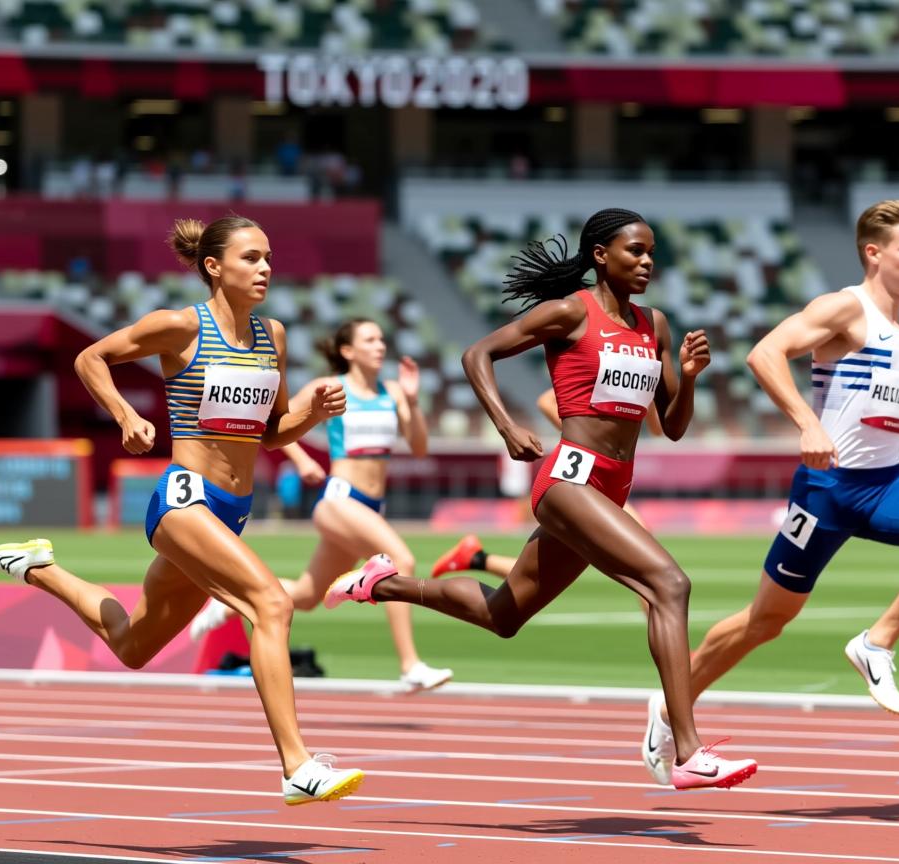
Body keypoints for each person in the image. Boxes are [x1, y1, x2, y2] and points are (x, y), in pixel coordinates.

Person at [324, 208, 757, 791]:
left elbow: (673, 428)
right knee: (669, 584)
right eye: (635, 251)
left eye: (653, 251)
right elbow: (476, 354)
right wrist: (506, 426)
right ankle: (686, 751)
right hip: (569, 480)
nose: (648, 261)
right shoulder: (569, 312)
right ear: (601, 256)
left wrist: (688, 377)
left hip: (612, 484)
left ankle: (382, 583)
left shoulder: (655, 325)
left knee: (503, 615)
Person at [0, 215, 365, 806]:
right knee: (271, 604)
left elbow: (270, 435)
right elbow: (89, 359)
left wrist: (313, 413)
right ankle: (296, 765)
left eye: (268, 258)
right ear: (214, 267)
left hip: (231, 510)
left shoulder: (274, 337)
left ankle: (37, 567)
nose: (265, 269)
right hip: (184, 501)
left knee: (132, 646)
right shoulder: (181, 327)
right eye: (251, 258)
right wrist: (127, 416)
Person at [641, 199, 899, 781]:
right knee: (766, 621)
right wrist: (807, 421)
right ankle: (668, 706)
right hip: (825, 491)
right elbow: (765, 353)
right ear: (873, 253)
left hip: (885, 485)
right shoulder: (841, 310)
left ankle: (876, 644)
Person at [189, 318, 453, 692]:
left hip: (370, 508)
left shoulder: (392, 391)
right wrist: (301, 460)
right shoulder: (330, 387)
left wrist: (411, 401)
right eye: (370, 339)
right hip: (340, 500)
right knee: (400, 561)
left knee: (309, 596)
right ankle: (410, 665)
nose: (380, 346)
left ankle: (228, 602)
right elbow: (271, 422)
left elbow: (421, 447)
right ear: (348, 351)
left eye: (382, 339)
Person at [431, 387, 662, 579]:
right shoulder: (609, 360)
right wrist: (589, 440)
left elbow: (657, 429)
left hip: (606, 481)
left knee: (545, 574)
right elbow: (545, 401)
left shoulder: (640, 365)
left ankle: (476, 558)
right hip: (584, 477)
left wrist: (649, 390)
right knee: (648, 567)